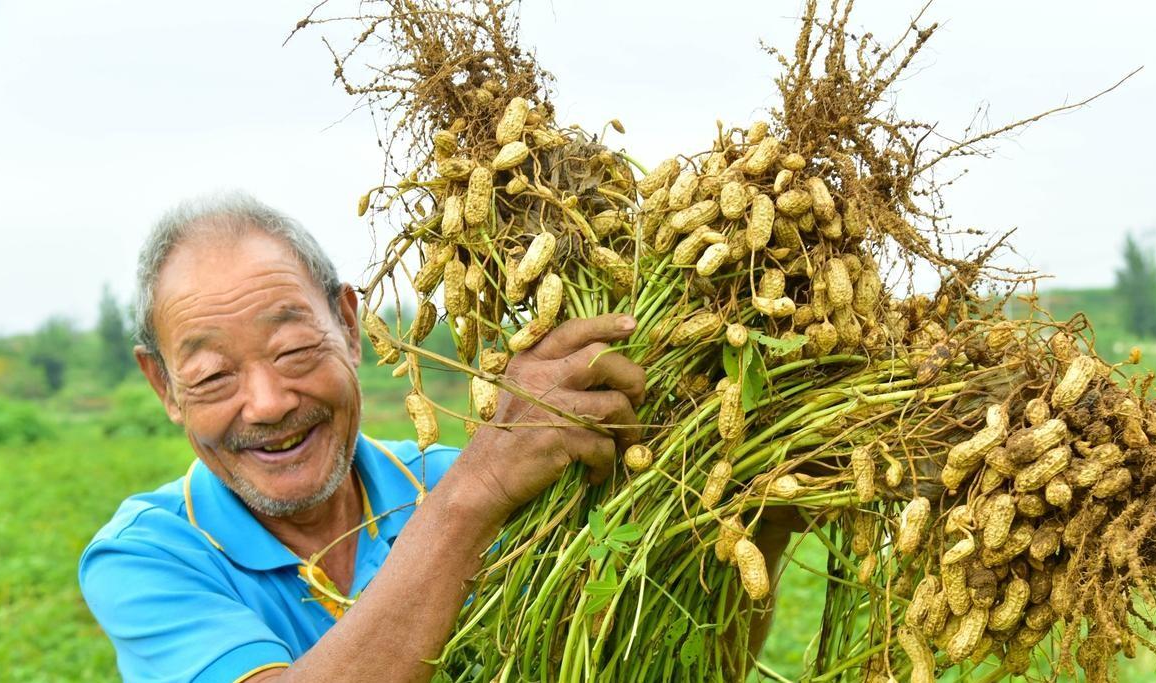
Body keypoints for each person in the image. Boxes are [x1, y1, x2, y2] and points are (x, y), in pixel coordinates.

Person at [79, 193, 795, 682]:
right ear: (162, 386)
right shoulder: (146, 556)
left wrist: (766, 521)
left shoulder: (481, 487)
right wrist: (472, 496)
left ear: (351, 327)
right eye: (212, 377)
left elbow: (654, 663)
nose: (267, 404)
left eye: (295, 351)